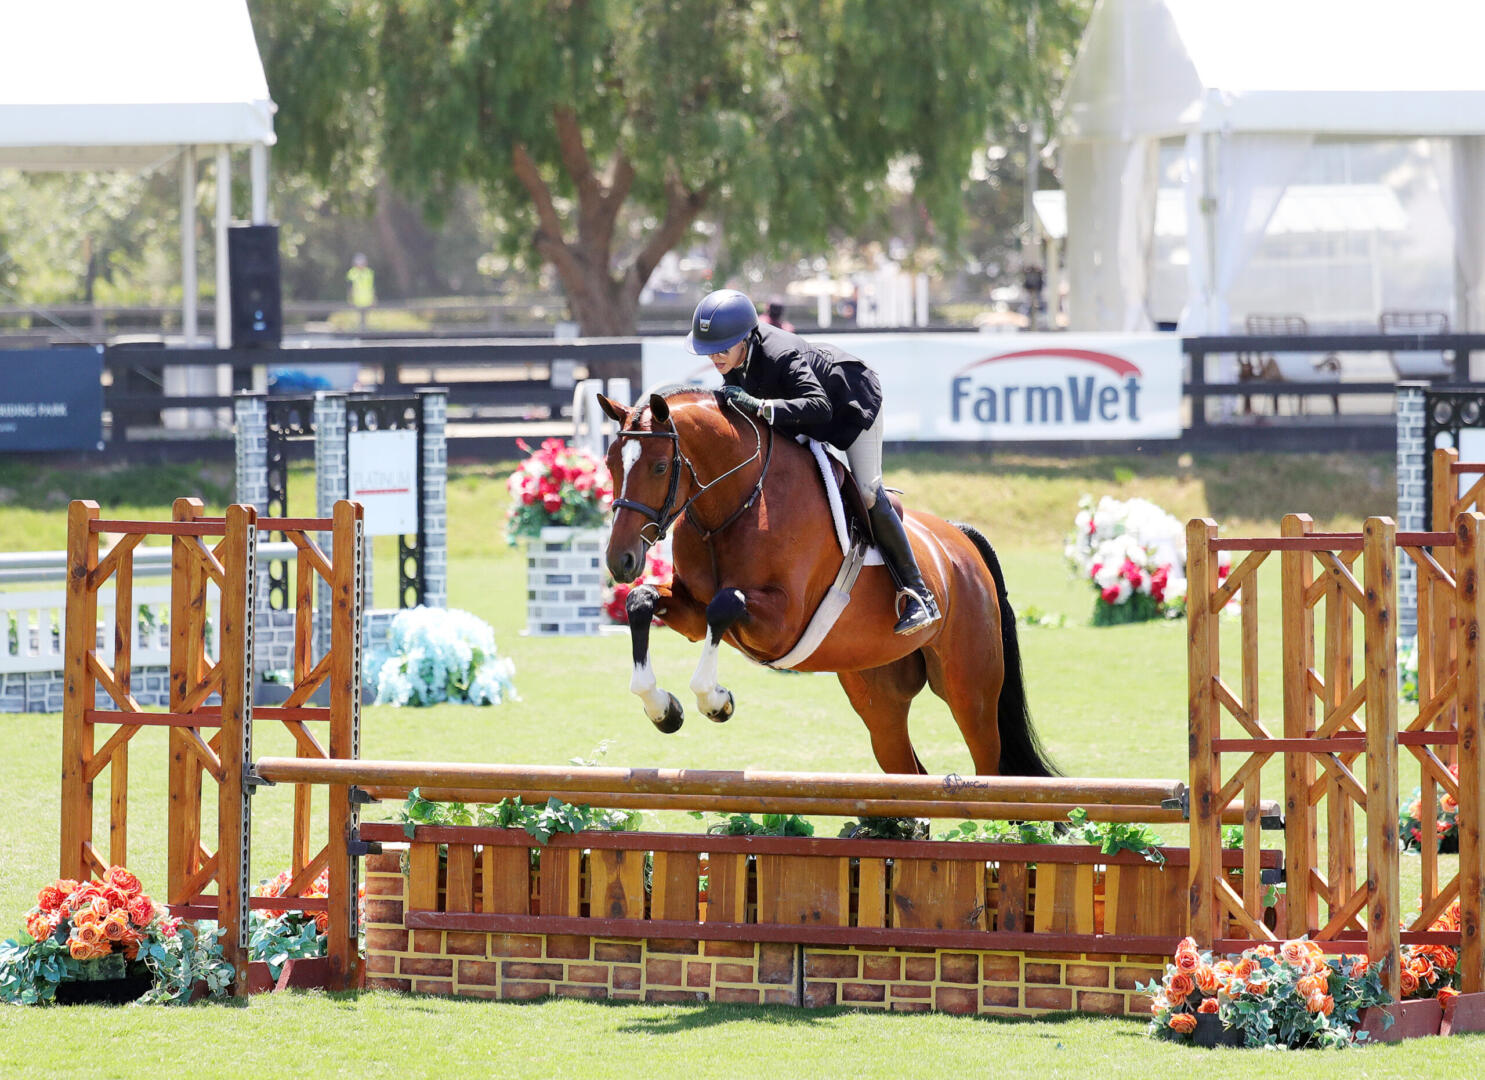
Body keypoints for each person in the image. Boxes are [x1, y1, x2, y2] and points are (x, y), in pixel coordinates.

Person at [685, 289, 939, 634]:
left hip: (850, 404)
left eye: (721, 348)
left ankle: (919, 594)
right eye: (708, 350)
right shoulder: (735, 360)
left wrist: (761, 407)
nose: (714, 357)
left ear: (745, 338)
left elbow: (820, 407)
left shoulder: (780, 354)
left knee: (866, 490)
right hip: (803, 417)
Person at [346, 253, 375, 331]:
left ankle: (366, 330)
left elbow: (371, 287)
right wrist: (350, 299)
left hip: (367, 299)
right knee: (357, 318)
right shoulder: (352, 273)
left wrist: (374, 298)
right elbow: (349, 288)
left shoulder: (369, 273)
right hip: (357, 300)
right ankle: (358, 330)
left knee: (367, 318)